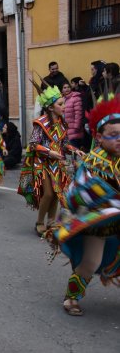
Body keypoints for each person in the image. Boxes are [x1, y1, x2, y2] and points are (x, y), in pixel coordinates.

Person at [45, 97, 119, 316]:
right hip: (97, 223)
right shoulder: (92, 163)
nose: (119, 140)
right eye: (113, 135)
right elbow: (78, 194)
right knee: (91, 262)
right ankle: (72, 297)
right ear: (98, 137)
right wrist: (108, 203)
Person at [18, 81, 85, 236]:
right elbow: (33, 144)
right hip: (41, 162)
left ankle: (52, 222)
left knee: (57, 193)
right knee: (48, 193)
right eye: (61, 104)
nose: (64, 106)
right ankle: (39, 222)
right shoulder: (40, 123)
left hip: (57, 163)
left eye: (64, 103)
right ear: (50, 107)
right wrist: (49, 152)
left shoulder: (63, 124)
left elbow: (65, 143)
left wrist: (76, 151)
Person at [61, 80, 84, 149]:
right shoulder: (62, 99)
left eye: (68, 87)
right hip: (65, 130)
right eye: (64, 88)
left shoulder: (75, 98)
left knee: (75, 150)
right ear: (62, 90)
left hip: (74, 129)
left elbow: (78, 113)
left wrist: (76, 127)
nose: (67, 89)